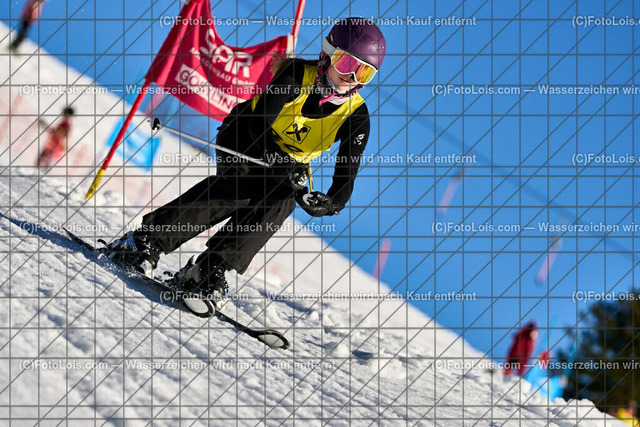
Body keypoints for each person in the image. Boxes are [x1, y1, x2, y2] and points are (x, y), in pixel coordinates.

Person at [101, 18, 386, 302]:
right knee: (241, 187)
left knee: (281, 202)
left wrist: (332, 203)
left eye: (364, 73)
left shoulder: (356, 116)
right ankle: (145, 241)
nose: (352, 77)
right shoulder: (297, 75)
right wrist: (277, 161)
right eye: (346, 64)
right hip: (245, 135)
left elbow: (347, 171)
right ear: (327, 54)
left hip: (287, 162)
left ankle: (209, 269)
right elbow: (260, 122)